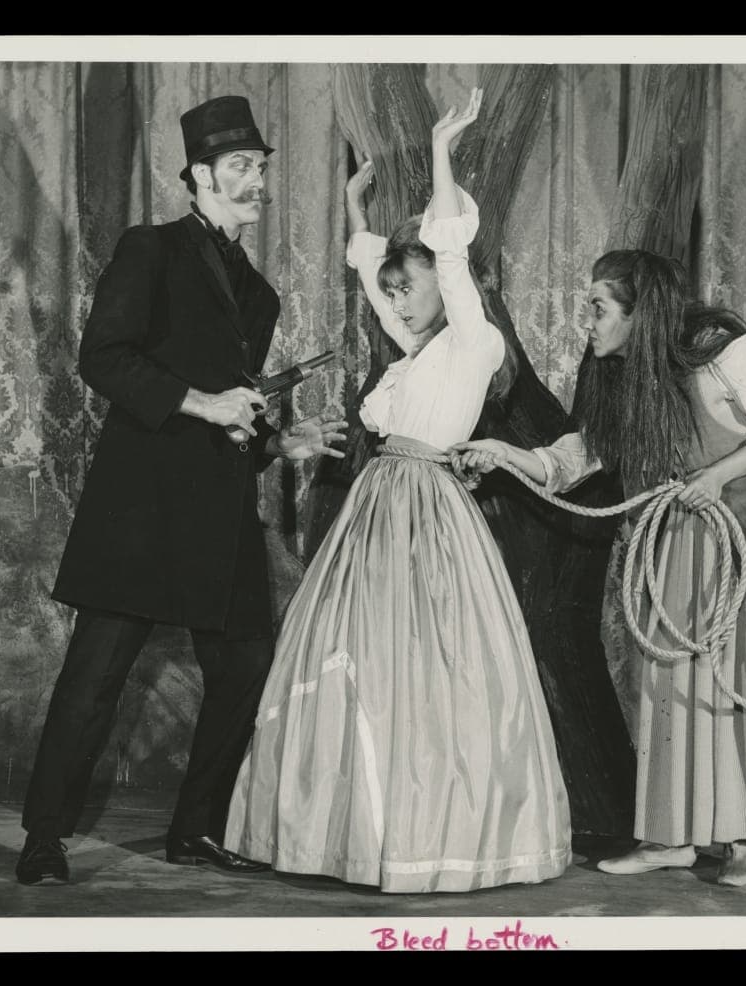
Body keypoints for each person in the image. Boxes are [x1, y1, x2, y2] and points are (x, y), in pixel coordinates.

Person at [223, 89, 572, 893]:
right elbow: (378, 284)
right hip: (378, 508)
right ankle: (345, 828)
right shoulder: (415, 353)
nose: (400, 294)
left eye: (408, 283)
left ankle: (426, 834)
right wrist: (354, 207)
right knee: (360, 653)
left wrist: (446, 150)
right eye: (395, 285)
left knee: (430, 661)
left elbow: (449, 257)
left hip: (429, 510)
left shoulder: (474, 342)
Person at [16, 95, 347, 886]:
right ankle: (44, 837)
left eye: (261, 167)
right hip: (140, 509)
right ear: (198, 175)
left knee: (244, 669)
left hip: (217, 514)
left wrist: (279, 438)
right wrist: (203, 402)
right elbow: (104, 357)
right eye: (239, 167)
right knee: (94, 678)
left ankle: (192, 828)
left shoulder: (260, 296)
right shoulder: (149, 250)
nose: (256, 180)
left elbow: (238, 413)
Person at [454, 249, 746, 887]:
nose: (586, 320)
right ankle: (671, 838)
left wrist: (718, 475)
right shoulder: (618, 372)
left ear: (642, 314)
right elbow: (579, 457)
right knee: (676, 684)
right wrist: (504, 453)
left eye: (599, 307)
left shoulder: (716, 345)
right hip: (693, 530)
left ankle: (739, 838)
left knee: (740, 681)